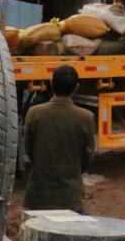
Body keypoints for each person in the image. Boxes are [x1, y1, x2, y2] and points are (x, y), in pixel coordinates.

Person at [22, 64, 96, 212]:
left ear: (51, 83)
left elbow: (29, 148)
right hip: (70, 196)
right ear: (76, 87)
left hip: (38, 194)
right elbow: (87, 155)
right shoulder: (86, 117)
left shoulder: (34, 112)